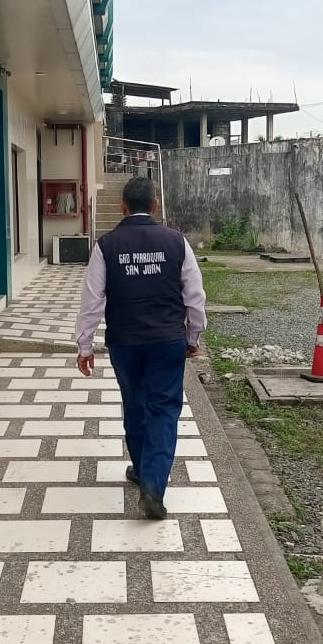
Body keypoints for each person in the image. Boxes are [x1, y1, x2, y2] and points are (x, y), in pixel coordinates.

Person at [75, 177, 207, 520]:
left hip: (125, 343)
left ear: (122, 206)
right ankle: (152, 484)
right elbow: (194, 297)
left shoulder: (106, 246)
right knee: (163, 410)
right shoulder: (177, 242)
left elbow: (91, 302)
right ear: (155, 206)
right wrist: (193, 337)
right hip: (167, 342)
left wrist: (85, 346)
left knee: (134, 404)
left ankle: (141, 468)